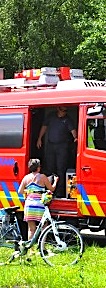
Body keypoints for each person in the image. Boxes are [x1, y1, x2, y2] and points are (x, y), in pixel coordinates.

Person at [36, 106, 77, 198]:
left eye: (66, 110)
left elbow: (73, 130)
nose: (64, 112)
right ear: (58, 109)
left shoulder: (68, 119)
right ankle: (49, 191)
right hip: (51, 145)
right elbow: (44, 127)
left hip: (62, 147)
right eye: (63, 110)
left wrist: (75, 138)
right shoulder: (51, 116)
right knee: (49, 168)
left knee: (61, 169)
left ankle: (60, 192)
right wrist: (39, 138)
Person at [18, 158, 58, 245]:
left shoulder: (26, 178)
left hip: (29, 204)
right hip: (39, 204)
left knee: (31, 229)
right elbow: (52, 189)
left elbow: (20, 191)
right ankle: (42, 247)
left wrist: (29, 192)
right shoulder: (42, 177)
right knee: (44, 226)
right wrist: (55, 181)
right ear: (38, 168)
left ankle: (31, 250)